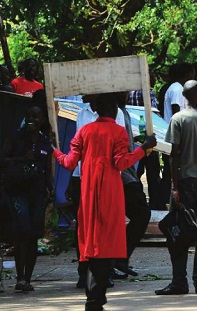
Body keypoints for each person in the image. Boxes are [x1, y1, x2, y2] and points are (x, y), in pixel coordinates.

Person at [54, 93, 157, 311]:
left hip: (88, 192)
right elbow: (121, 163)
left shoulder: (84, 131)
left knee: (91, 239)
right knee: (106, 241)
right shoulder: (118, 132)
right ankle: (95, 298)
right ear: (113, 110)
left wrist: (55, 151)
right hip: (110, 193)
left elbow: (69, 162)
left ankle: (95, 296)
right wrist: (143, 149)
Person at [156, 80, 197, 295]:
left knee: (178, 233)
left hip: (184, 183)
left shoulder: (177, 119)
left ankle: (179, 282)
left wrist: (175, 186)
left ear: (183, 96)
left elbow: (175, 155)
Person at [67, 94, 126, 288]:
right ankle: (84, 271)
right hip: (83, 176)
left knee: (104, 224)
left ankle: (104, 271)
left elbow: (120, 153)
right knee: (85, 225)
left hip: (105, 178)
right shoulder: (81, 115)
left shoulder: (117, 117)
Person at [1, 105, 53, 291]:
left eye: (36, 116)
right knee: (22, 233)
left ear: (42, 120)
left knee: (33, 235)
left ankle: (28, 279)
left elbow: (47, 170)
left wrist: (52, 190)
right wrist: (21, 158)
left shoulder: (45, 141)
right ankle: (20, 278)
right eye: (29, 116)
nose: (32, 119)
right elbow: (3, 160)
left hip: (37, 194)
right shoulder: (16, 137)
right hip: (18, 192)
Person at [113, 94, 152, 278]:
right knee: (141, 214)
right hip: (123, 174)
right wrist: (142, 149)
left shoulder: (124, 111)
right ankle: (117, 259)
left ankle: (119, 259)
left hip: (127, 173)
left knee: (137, 214)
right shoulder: (116, 112)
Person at [161, 63, 195, 211]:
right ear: (187, 75)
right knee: (172, 172)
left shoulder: (176, 88)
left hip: (177, 137)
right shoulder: (177, 89)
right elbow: (176, 113)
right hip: (175, 137)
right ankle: (169, 203)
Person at [127, 70, 162, 210]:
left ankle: (138, 201)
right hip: (148, 136)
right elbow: (155, 114)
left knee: (137, 172)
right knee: (153, 173)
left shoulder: (129, 93)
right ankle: (154, 204)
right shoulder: (148, 93)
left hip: (135, 137)